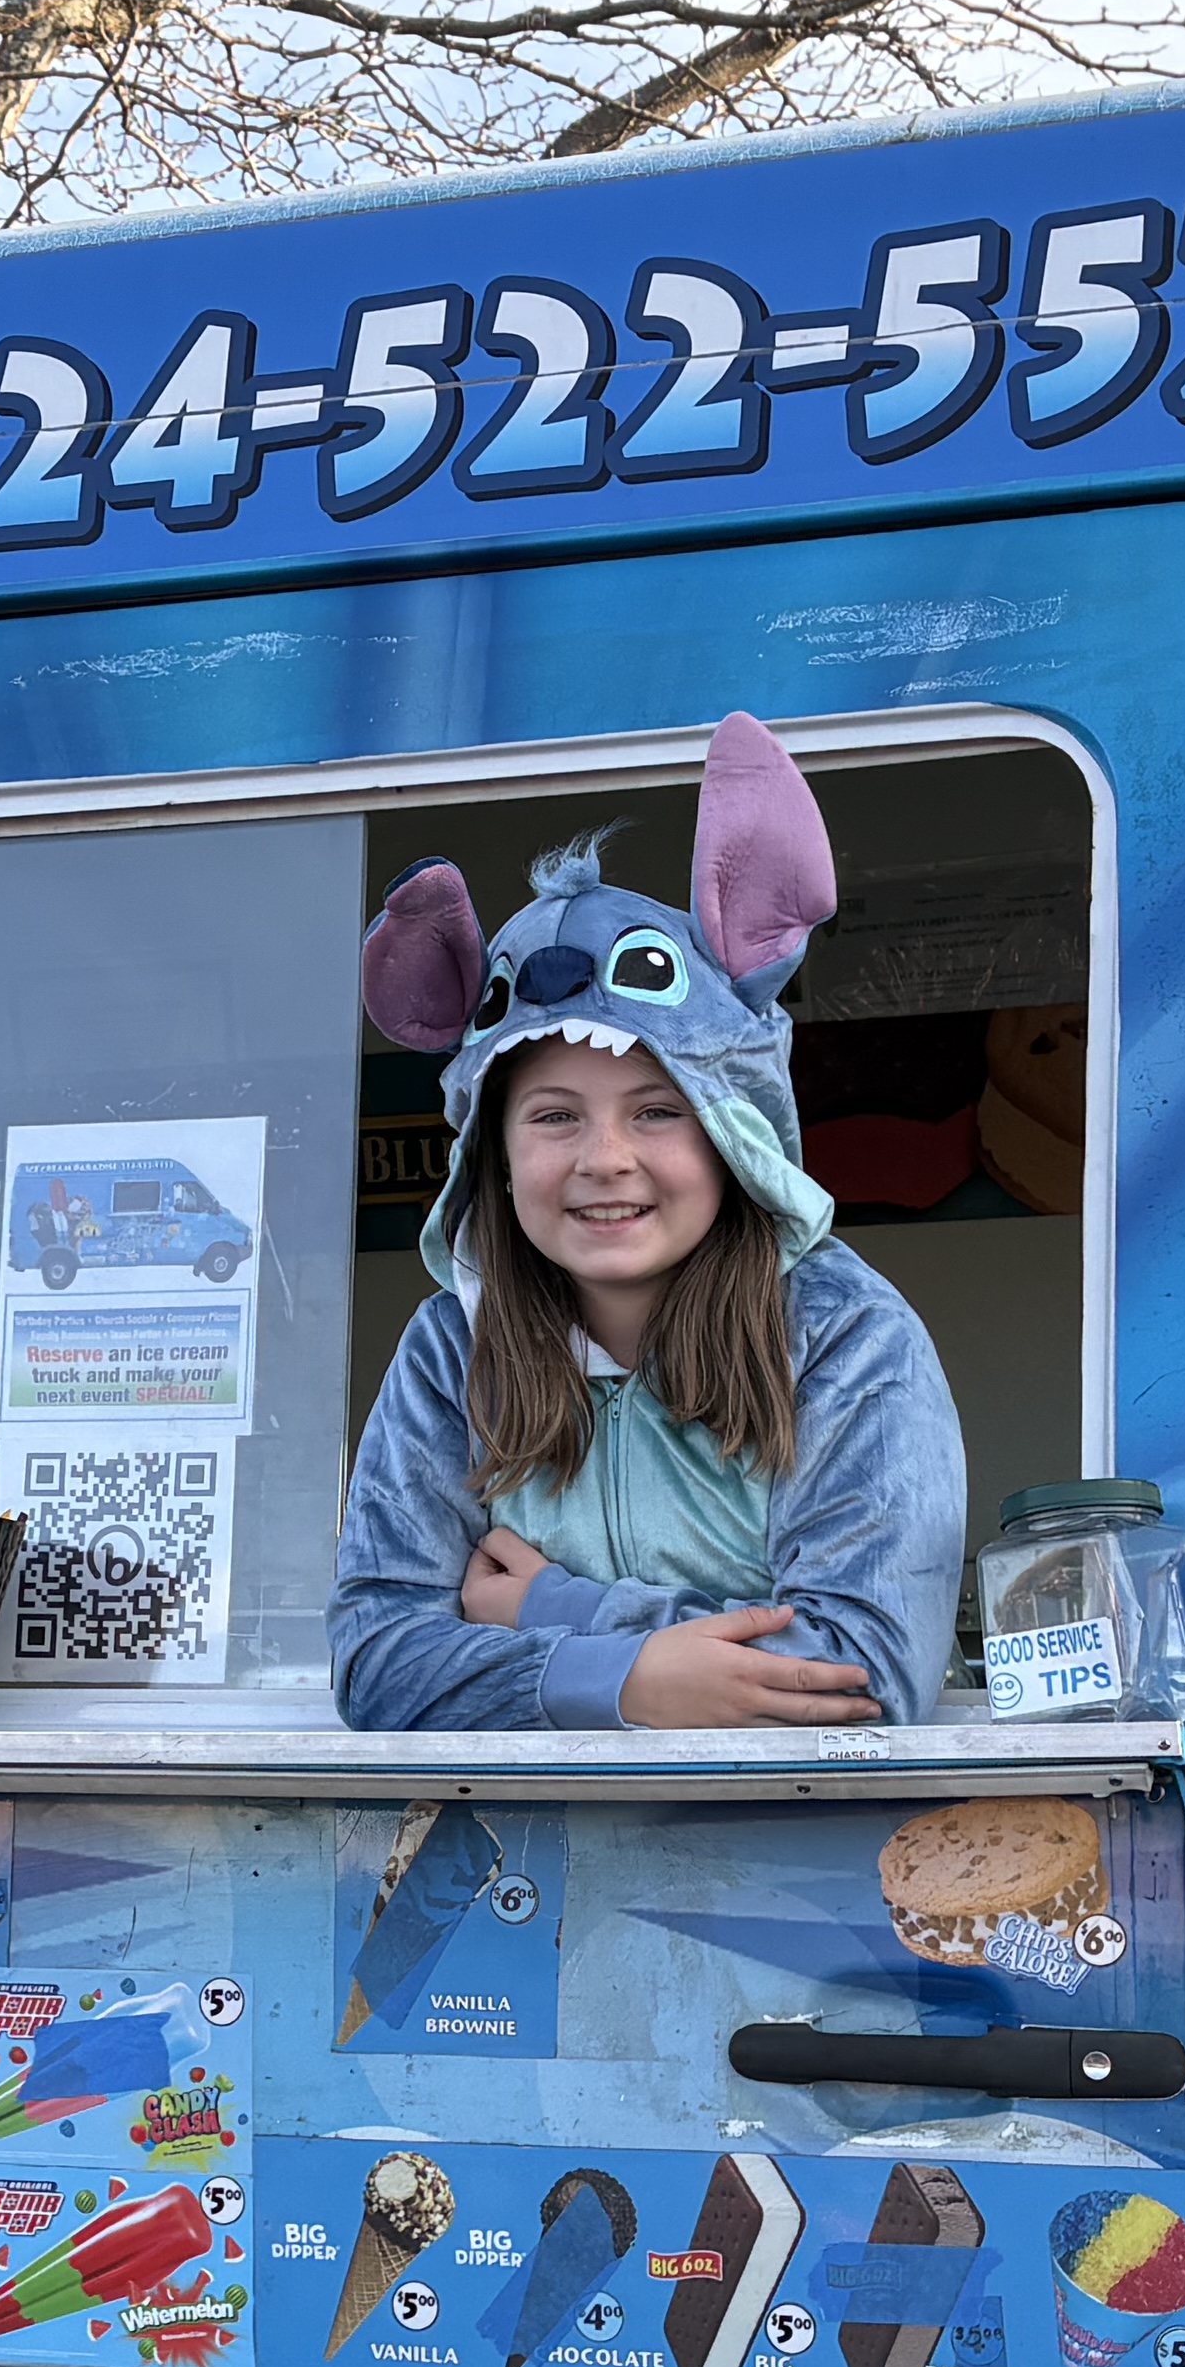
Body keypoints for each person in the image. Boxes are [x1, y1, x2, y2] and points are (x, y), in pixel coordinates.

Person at [333, 714, 964, 1730]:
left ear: (730, 1134)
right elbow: (379, 1663)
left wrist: (565, 1612)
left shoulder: (844, 1333)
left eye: (658, 1111)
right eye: (554, 1117)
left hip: (794, 1836)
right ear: (494, 1157)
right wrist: (618, 1680)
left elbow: (864, 1673)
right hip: (526, 1832)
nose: (605, 1159)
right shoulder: (453, 1348)